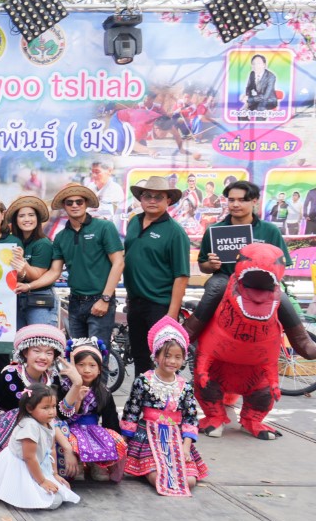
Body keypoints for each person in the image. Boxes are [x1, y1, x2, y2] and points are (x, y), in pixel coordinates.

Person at [187, 181, 307, 348]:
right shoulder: (214, 230)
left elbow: (283, 263)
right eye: (231, 200)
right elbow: (203, 266)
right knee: (216, 287)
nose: (235, 204)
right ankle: (186, 335)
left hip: (261, 281)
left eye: (242, 200)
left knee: (282, 297)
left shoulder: (269, 230)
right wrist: (211, 265)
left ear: (254, 201)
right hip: (225, 278)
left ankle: (303, 342)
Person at [121, 318, 209, 496]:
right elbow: (132, 411)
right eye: (167, 356)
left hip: (175, 439)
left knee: (190, 481)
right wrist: (125, 442)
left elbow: (190, 418)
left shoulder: (185, 387)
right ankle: (145, 469)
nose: (172, 361)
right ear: (156, 355)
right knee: (158, 477)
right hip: (148, 436)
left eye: (178, 357)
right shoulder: (144, 381)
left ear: (184, 359)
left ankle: (156, 470)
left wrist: (185, 447)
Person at [41, 183, 124, 351]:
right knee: (77, 355)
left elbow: (119, 262)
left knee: (97, 357)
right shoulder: (61, 237)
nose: (74, 205)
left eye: (79, 201)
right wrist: (27, 285)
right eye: (69, 202)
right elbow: (55, 272)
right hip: (75, 301)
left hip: (100, 299)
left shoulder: (104, 227)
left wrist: (105, 299)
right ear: (64, 206)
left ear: (86, 204)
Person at [0, 325, 74, 466]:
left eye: (49, 353)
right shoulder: (11, 376)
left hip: (34, 423)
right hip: (1, 427)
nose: (42, 357)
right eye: (36, 351)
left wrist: (77, 383)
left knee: (59, 424)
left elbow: (61, 413)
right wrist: (66, 446)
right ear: (25, 353)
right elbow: (31, 413)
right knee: (32, 421)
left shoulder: (52, 378)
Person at [123, 176, 190, 377]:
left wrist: (172, 313)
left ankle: (162, 405)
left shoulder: (175, 232)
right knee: (140, 356)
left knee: (162, 359)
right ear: (141, 199)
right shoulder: (134, 222)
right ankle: (140, 401)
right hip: (135, 302)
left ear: (168, 200)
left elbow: (181, 276)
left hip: (159, 305)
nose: (152, 201)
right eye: (148, 196)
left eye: (158, 197)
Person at [0, 384, 80, 510]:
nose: (51, 412)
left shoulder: (50, 422)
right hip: (21, 465)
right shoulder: (30, 426)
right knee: (54, 501)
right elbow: (29, 457)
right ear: (29, 408)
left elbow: (51, 449)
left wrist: (54, 474)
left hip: (37, 465)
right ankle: (5, 490)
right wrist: (43, 482)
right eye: (45, 408)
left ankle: (6, 491)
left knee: (63, 491)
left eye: (53, 407)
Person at [58, 338, 126, 482]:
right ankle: (78, 464)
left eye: (92, 365)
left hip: (93, 429)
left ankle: (97, 463)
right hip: (70, 428)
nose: (86, 370)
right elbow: (61, 417)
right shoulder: (63, 387)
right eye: (81, 365)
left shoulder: (102, 391)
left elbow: (110, 420)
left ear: (100, 368)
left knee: (110, 438)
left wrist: (114, 438)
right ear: (72, 366)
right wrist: (78, 400)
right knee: (74, 440)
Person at [7, 195, 60, 328]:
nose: (27, 219)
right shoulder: (11, 242)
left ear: (37, 219)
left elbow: (36, 274)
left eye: (31, 215)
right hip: (16, 296)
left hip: (39, 297)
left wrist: (22, 262)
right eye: (22, 216)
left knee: (38, 340)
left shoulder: (43, 243)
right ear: (15, 220)